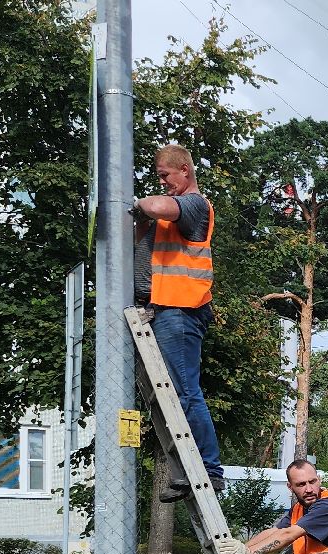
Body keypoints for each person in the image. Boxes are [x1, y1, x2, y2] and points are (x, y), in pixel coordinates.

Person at [133, 143, 223, 503]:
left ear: (184, 170)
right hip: (162, 310)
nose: (163, 182)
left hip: (180, 310)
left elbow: (155, 205)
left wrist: (139, 205)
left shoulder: (194, 205)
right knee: (170, 395)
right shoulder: (168, 220)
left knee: (186, 393)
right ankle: (189, 471)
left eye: (165, 175)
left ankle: (209, 472)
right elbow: (139, 239)